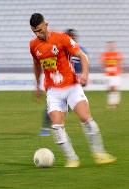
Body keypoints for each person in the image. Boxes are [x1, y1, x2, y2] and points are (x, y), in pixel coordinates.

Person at [29, 13, 116, 167]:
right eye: (35, 31)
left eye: (40, 30)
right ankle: (72, 158)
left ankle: (100, 153)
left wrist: (84, 74)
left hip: (71, 86)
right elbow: (37, 65)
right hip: (53, 90)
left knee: (86, 118)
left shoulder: (62, 38)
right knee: (56, 126)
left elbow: (82, 56)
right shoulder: (33, 45)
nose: (38, 34)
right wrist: (37, 85)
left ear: (46, 24)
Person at [37, 28, 87, 137]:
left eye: (73, 37)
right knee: (51, 105)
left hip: (73, 83)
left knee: (69, 106)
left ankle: (58, 126)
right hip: (56, 81)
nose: (71, 38)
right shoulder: (57, 47)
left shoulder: (80, 50)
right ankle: (45, 127)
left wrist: (84, 75)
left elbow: (83, 63)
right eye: (69, 36)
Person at [100, 41, 123, 108]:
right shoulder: (104, 55)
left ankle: (116, 103)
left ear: (114, 46)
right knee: (109, 89)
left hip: (115, 74)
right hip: (108, 74)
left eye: (112, 45)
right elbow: (103, 64)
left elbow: (120, 64)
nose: (111, 46)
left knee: (115, 88)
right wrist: (105, 69)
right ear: (107, 46)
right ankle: (111, 103)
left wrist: (120, 72)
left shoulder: (117, 54)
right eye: (109, 45)